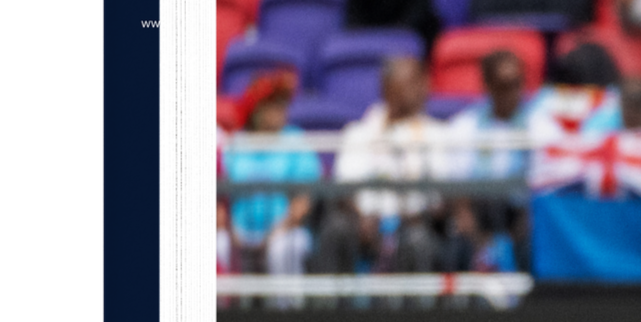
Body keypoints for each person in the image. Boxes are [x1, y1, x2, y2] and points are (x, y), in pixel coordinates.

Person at [315, 55, 449, 274]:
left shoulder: (437, 134)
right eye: (413, 82)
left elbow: (440, 195)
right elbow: (345, 188)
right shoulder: (358, 133)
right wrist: (362, 219)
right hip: (363, 224)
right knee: (336, 229)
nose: (423, 88)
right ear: (388, 88)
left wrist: (407, 220)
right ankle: (331, 306)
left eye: (423, 82)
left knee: (417, 239)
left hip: (415, 223)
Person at [441, 47, 535, 272]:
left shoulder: (538, 126)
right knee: (456, 239)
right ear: (488, 85)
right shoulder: (464, 127)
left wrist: (527, 218)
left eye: (517, 84)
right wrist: (472, 230)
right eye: (504, 86)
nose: (512, 93)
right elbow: (456, 188)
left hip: (520, 214)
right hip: (477, 215)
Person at [220, 69, 320, 278]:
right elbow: (220, 199)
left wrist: (275, 234)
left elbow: (303, 200)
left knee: (283, 250)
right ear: (256, 109)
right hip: (237, 234)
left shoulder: (295, 141)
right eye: (273, 105)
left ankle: (286, 310)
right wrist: (233, 234)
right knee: (217, 245)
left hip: (283, 233)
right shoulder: (235, 143)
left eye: (283, 104)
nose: (280, 110)